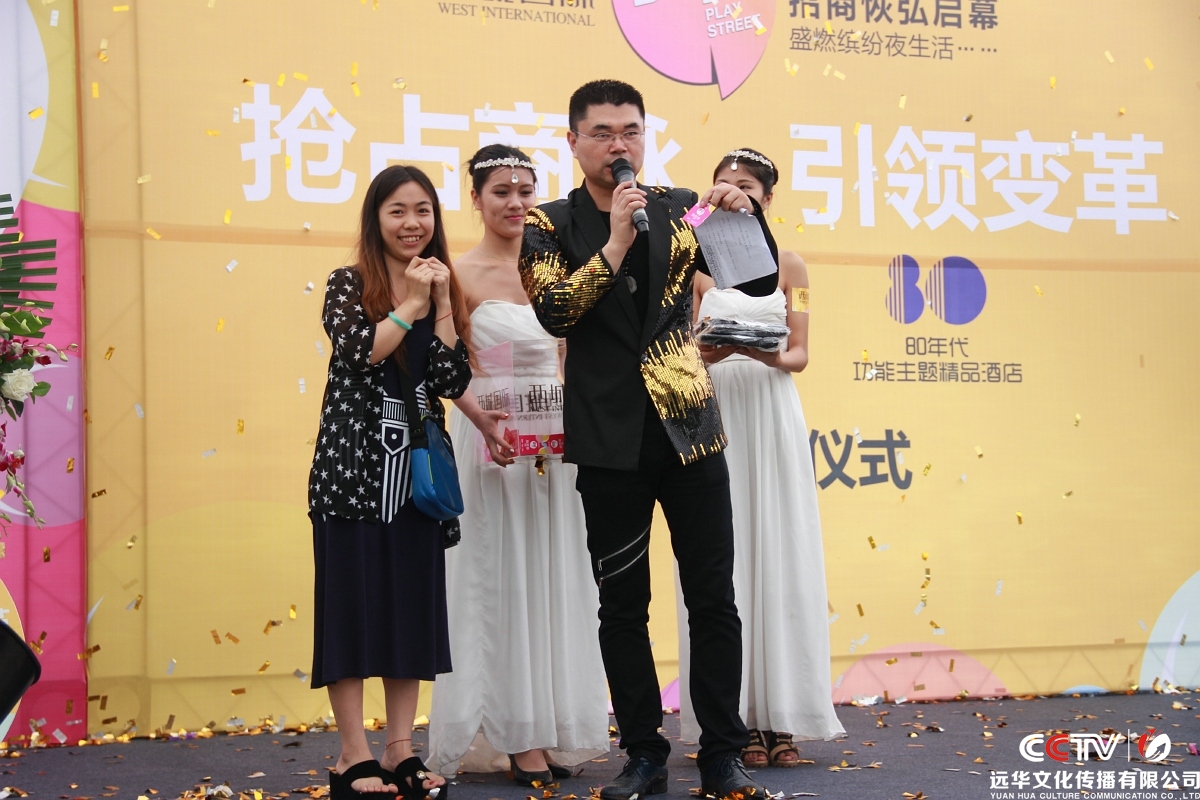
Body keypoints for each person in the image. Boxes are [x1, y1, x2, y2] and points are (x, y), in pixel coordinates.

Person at [519, 79, 769, 800]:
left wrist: (744, 215)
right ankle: (643, 754)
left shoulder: (681, 206)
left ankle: (722, 754)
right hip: (608, 437)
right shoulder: (548, 222)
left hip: (689, 428)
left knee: (713, 598)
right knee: (623, 607)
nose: (618, 145)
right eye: (602, 133)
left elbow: (754, 282)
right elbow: (555, 311)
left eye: (630, 131)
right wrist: (616, 242)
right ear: (573, 142)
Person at [429, 145, 609, 784]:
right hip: (492, 442)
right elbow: (444, 366)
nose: (515, 203)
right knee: (500, 580)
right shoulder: (456, 273)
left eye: (525, 191)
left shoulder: (558, 267)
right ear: (476, 199)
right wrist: (485, 420)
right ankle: (516, 735)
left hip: (556, 444)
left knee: (555, 577)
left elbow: (572, 357)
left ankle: (553, 723)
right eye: (501, 192)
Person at [677, 148, 845, 769]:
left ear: (767, 199)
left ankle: (783, 717)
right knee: (723, 561)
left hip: (771, 411)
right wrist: (716, 351)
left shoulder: (791, 265)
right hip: (718, 409)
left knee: (778, 549)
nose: (732, 194)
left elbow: (799, 353)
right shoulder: (695, 264)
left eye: (745, 186)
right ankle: (735, 719)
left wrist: (761, 352)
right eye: (721, 185)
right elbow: (683, 349)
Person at [309, 165, 471, 800]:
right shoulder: (348, 283)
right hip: (353, 472)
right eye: (398, 211)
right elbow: (361, 351)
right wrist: (411, 303)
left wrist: (443, 306)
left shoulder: (441, 283)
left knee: (410, 612)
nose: (412, 224)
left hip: (417, 478)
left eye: (423, 211)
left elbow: (450, 380)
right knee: (350, 611)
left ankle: (401, 748)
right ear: (375, 219)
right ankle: (353, 755)